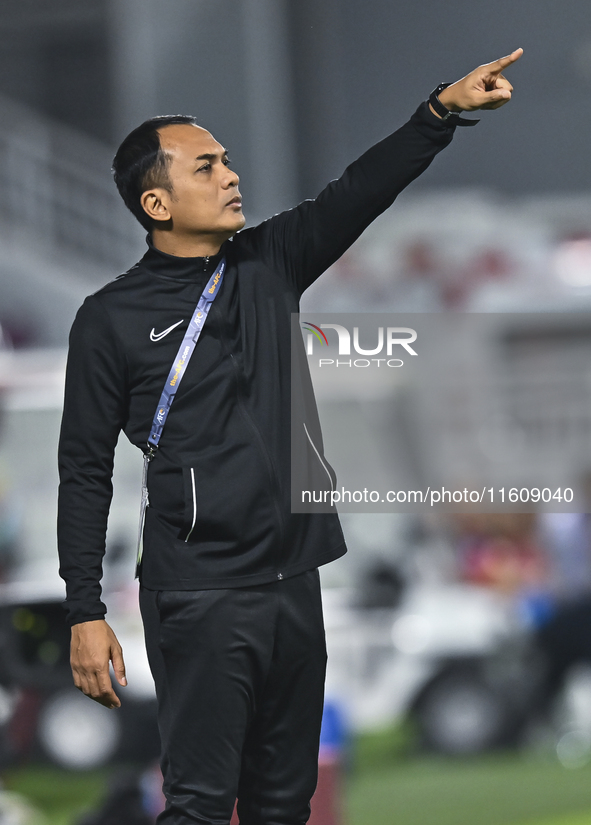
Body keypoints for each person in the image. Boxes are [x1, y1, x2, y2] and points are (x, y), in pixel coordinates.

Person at [58, 49, 522, 825]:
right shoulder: (107, 319)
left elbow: (358, 192)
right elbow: (83, 470)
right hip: (198, 596)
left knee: (285, 805)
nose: (230, 175)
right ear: (157, 202)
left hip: (295, 582)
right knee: (201, 805)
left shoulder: (270, 263)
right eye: (205, 167)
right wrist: (83, 609)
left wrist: (438, 112)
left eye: (229, 162)